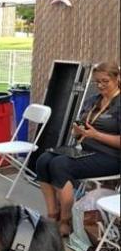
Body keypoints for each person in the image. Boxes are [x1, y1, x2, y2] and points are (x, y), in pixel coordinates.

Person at [36, 61, 120, 236]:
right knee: (43, 159)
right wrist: (77, 132)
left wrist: (96, 135)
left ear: (117, 78)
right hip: (85, 149)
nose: (100, 85)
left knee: (60, 165)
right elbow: (79, 133)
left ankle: (65, 222)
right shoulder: (92, 100)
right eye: (97, 81)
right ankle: (53, 215)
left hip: (111, 157)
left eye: (105, 81)